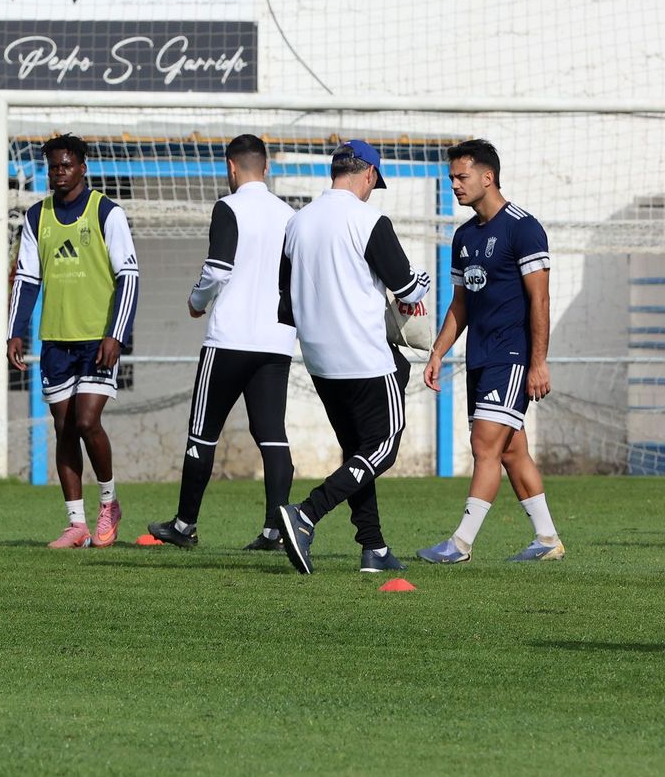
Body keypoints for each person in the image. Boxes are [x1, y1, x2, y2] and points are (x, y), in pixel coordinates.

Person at [276, 140, 430, 575]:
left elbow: (285, 302)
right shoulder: (369, 219)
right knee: (383, 449)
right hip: (365, 357)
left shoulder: (297, 222)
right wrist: (420, 280)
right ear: (367, 175)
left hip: (320, 362)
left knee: (358, 453)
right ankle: (306, 513)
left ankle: (374, 547)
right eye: (373, 183)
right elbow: (407, 290)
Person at [419, 139, 564, 563]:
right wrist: (438, 352)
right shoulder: (463, 236)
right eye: (450, 179)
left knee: (485, 445)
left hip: (512, 356)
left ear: (488, 177)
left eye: (461, 178)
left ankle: (460, 543)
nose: (455, 186)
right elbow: (460, 304)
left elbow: (541, 300)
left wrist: (538, 362)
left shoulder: (523, 227)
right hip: (479, 357)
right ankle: (547, 539)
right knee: (510, 450)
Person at [148, 134, 296, 551]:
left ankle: (184, 525)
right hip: (276, 339)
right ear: (266, 168)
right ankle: (275, 531)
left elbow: (217, 269)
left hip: (230, 338)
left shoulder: (228, 207)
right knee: (272, 435)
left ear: (231, 167)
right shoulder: (290, 214)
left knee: (203, 432)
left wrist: (197, 301)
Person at [5, 133, 138, 548]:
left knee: (86, 421)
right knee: (64, 427)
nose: (59, 173)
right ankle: (76, 523)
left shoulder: (106, 213)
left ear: (82, 167)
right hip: (55, 340)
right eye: (53, 167)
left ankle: (109, 503)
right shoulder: (35, 217)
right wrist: (15, 331)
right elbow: (26, 278)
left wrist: (116, 334)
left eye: (66, 165)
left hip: (97, 340)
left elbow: (128, 277)